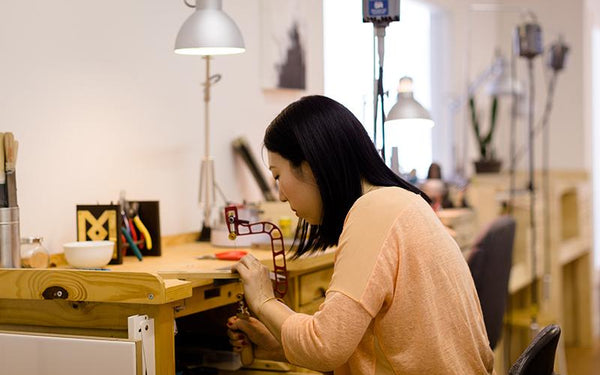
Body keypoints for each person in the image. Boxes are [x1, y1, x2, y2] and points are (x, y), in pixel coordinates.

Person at [226, 95, 494, 374]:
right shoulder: (399, 202)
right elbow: (369, 346)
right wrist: (277, 345)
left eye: (278, 175)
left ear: (309, 165)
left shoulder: (373, 212)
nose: (280, 194)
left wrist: (263, 300)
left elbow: (324, 347)